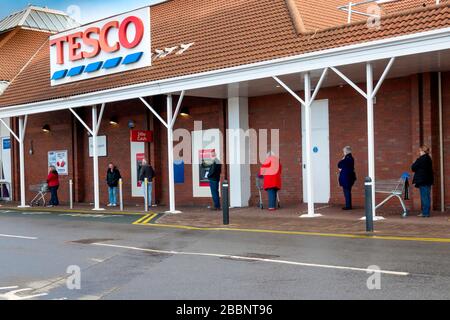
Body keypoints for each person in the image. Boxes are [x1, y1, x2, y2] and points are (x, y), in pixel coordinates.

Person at [412, 145, 434, 218]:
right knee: (427, 196)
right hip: (428, 180)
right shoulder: (429, 158)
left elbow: (413, 167)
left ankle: (425, 213)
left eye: (420, 151)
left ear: (422, 151)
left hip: (422, 180)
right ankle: (426, 212)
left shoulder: (421, 159)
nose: (419, 152)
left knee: (424, 197)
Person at [338, 146, 356, 210]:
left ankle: (348, 206)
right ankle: (348, 205)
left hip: (346, 178)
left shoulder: (347, 158)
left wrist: (342, 160)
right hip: (349, 177)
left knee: (346, 191)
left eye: (344, 151)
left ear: (346, 152)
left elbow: (339, 164)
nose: (343, 152)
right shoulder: (350, 158)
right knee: (347, 191)